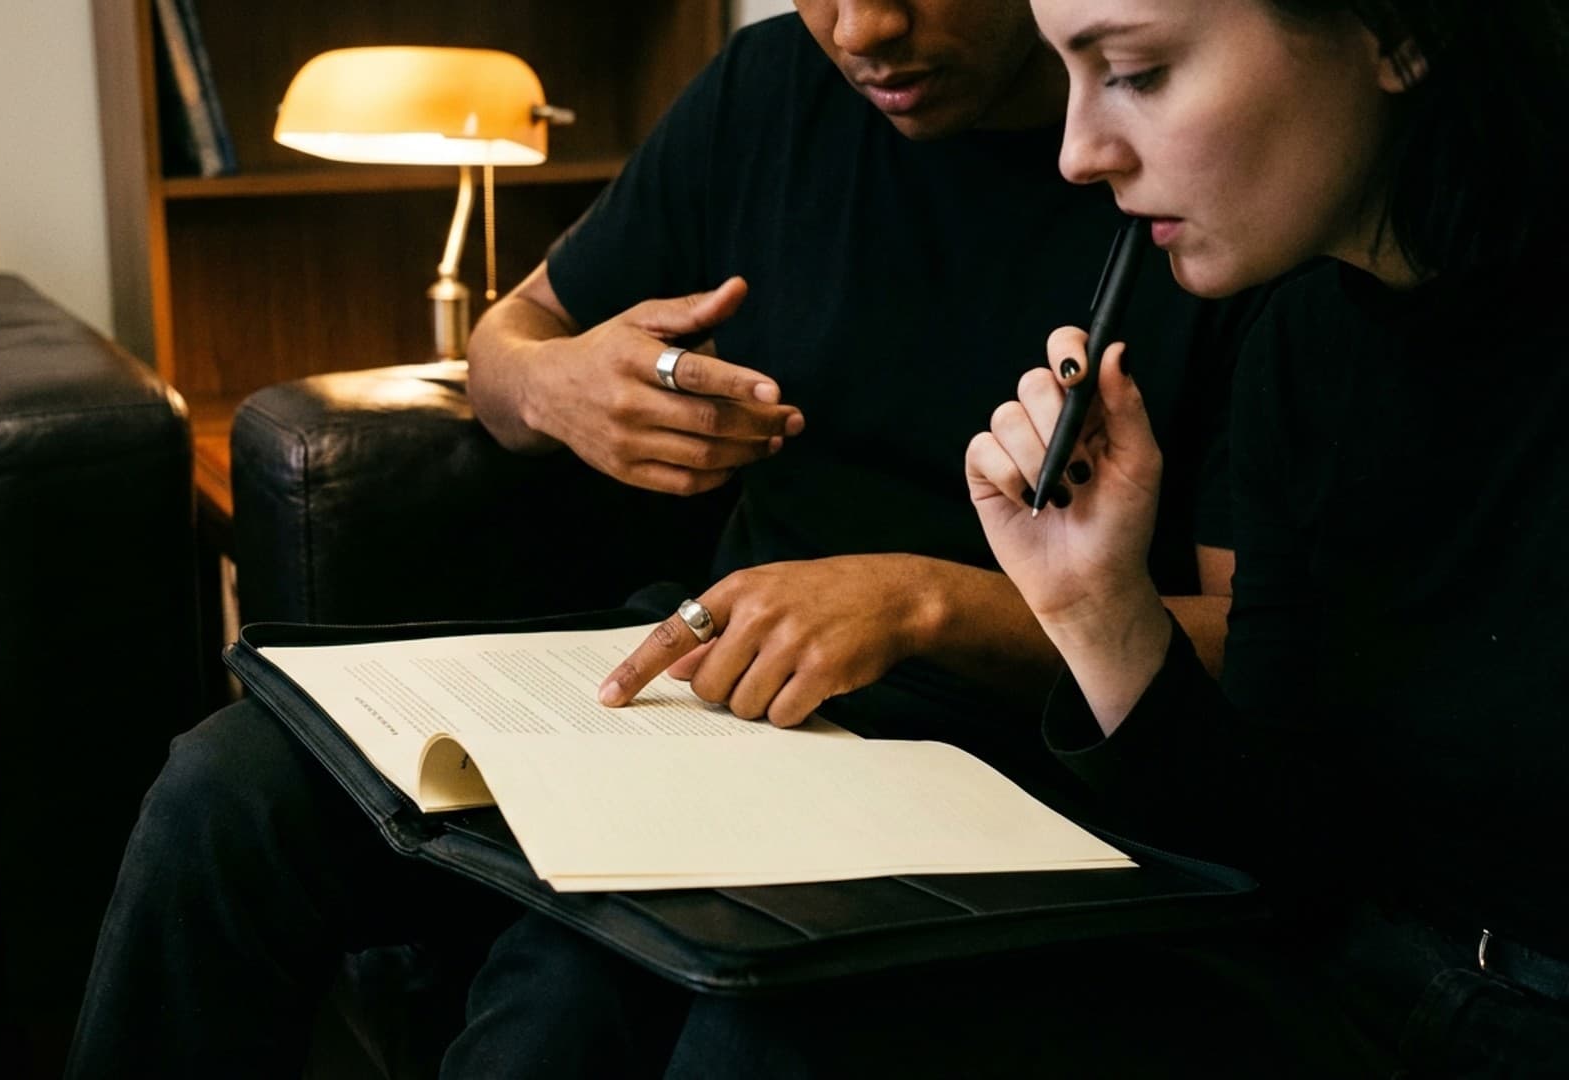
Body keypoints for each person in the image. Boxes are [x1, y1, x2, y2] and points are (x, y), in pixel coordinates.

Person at [63, 4, 1260, 1076]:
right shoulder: (771, 86)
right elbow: (507, 339)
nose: (862, 30)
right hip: (710, 694)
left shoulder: (1188, 176)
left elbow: (1253, 641)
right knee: (219, 791)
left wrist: (920, 605)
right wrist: (553, 383)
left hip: (999, 759)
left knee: (565, 994)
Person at [447, 0, 1569, 1075]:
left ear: (1398, 30)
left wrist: (948, 608)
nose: (1080, 151)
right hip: (1342, 973)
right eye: (1071, 69)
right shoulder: (1310, 344)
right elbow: (1271, 840)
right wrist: (1095, 606)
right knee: (687, 1009)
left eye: (1135, 72)